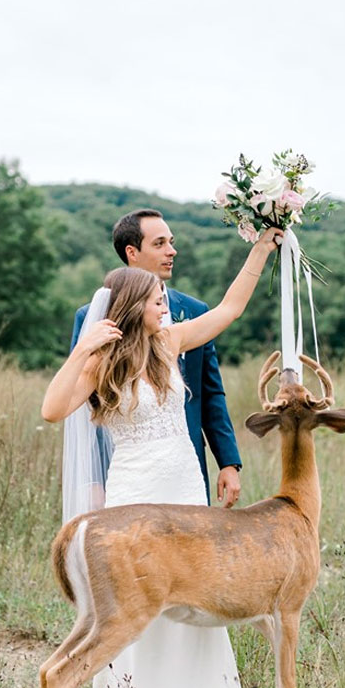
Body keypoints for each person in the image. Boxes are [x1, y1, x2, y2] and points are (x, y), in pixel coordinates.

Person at [42, 225, 282, 688]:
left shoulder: (172, 344)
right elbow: (54, 409)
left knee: (197, 603)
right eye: (156, 302)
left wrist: (260, 250)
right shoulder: (103, 364)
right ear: (134, 307)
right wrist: (83, 348)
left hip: (183, 491)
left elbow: (228, 309)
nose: (166, 307)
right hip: (134, 493)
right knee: (136, 610)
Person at [71, 210, 242, 507]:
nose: (171, 251)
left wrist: (228, 462)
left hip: (186, 465)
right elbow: (84, 406)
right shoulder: (92, 317)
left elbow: (211, 392)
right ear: (132, 252)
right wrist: (93, 480)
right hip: (125, 467)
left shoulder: (194, 309)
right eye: (160, 243)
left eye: (171, 242)